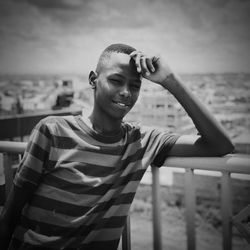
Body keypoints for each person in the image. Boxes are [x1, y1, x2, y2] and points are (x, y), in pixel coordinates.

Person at [0, 43, 234, 250]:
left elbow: (220, 145)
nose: (125, 92)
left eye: (134, 85)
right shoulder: (52, 131)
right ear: (93, 80)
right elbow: (11, 211)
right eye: (115, 80)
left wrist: (170, 80)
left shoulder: (140, 141)